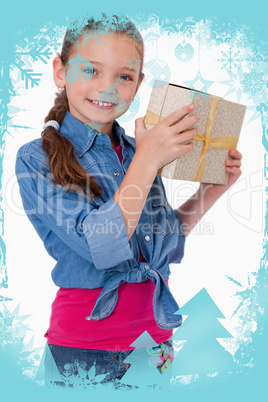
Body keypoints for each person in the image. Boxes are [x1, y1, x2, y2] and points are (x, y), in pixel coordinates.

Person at [15, 13, 242, 389]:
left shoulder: (137, 151)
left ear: (138, 86)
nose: (106, 88)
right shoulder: (36, 158)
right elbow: (101, 245)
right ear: (60, 72)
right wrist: (148, 161)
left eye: (123, 76)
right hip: (84, 349)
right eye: (90, 70)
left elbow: (162, 246)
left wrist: (212, 190)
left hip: (156, 343)